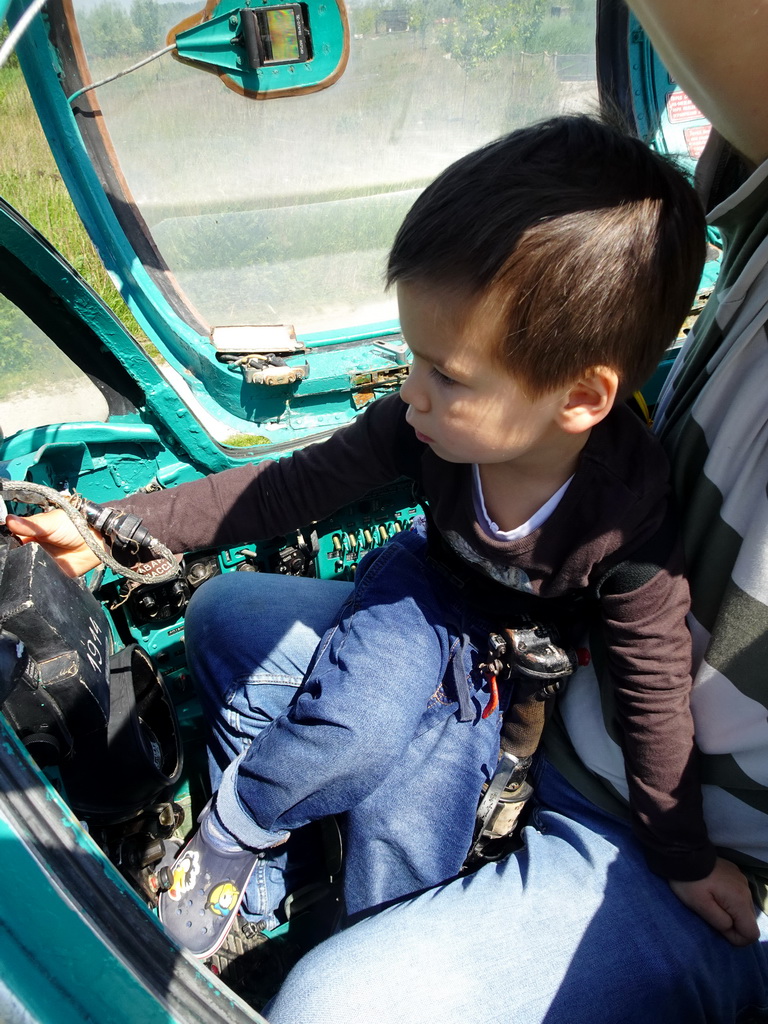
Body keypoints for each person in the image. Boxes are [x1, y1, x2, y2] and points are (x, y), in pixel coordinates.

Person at [9, 4, 768, 1013]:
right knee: (313, 682)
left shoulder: (629, 528)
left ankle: (337, 906)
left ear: (581, 398)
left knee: (406, 814)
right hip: (425, 591)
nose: (408, 392)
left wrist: (678, 855)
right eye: (414, 358)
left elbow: (655, 693)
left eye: (445, 374)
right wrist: (112, 528)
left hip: (511, 665)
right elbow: (288, 487)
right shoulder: (429, 428)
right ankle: (250, 838)